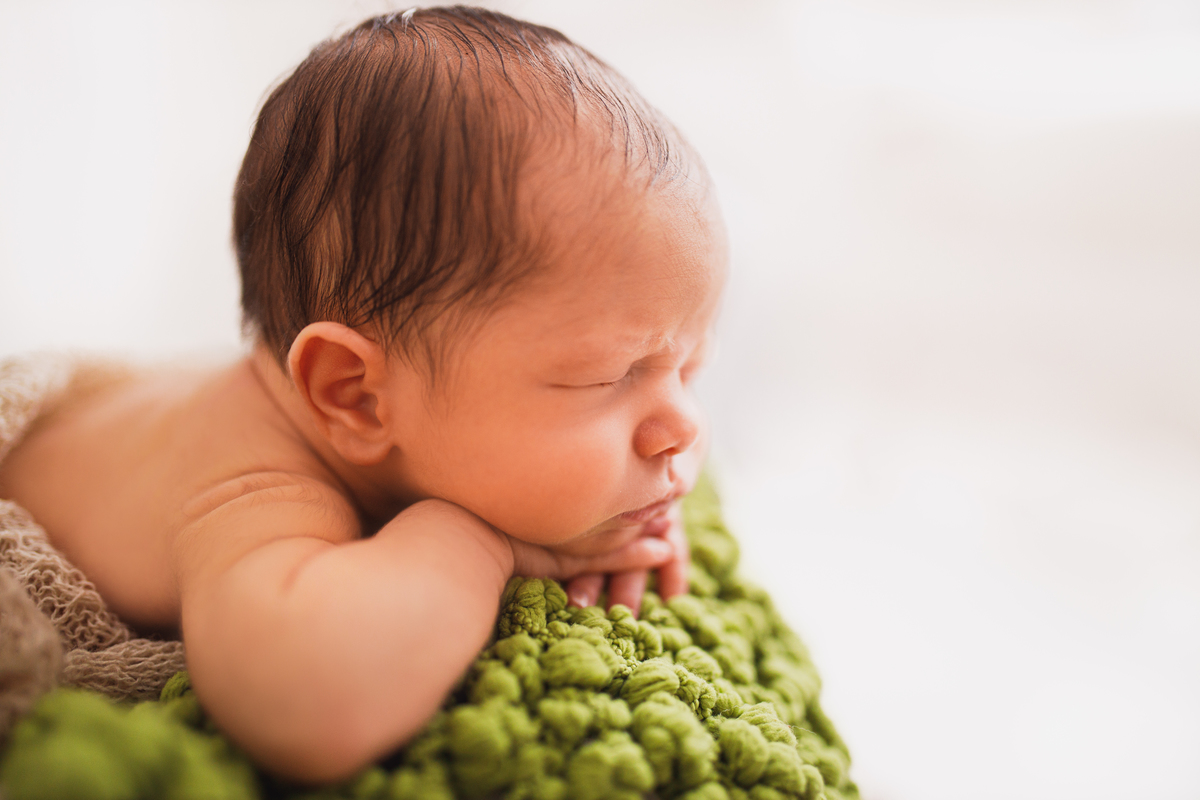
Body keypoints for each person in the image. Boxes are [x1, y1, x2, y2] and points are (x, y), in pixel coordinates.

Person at [0, 6, 726, 783]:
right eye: (609, 377)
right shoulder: (254, 489)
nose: (681, 426)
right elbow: (307, 703)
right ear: (356, 397)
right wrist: (483, 542)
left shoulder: (385, 404)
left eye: (689, 367)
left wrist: (626, 515)